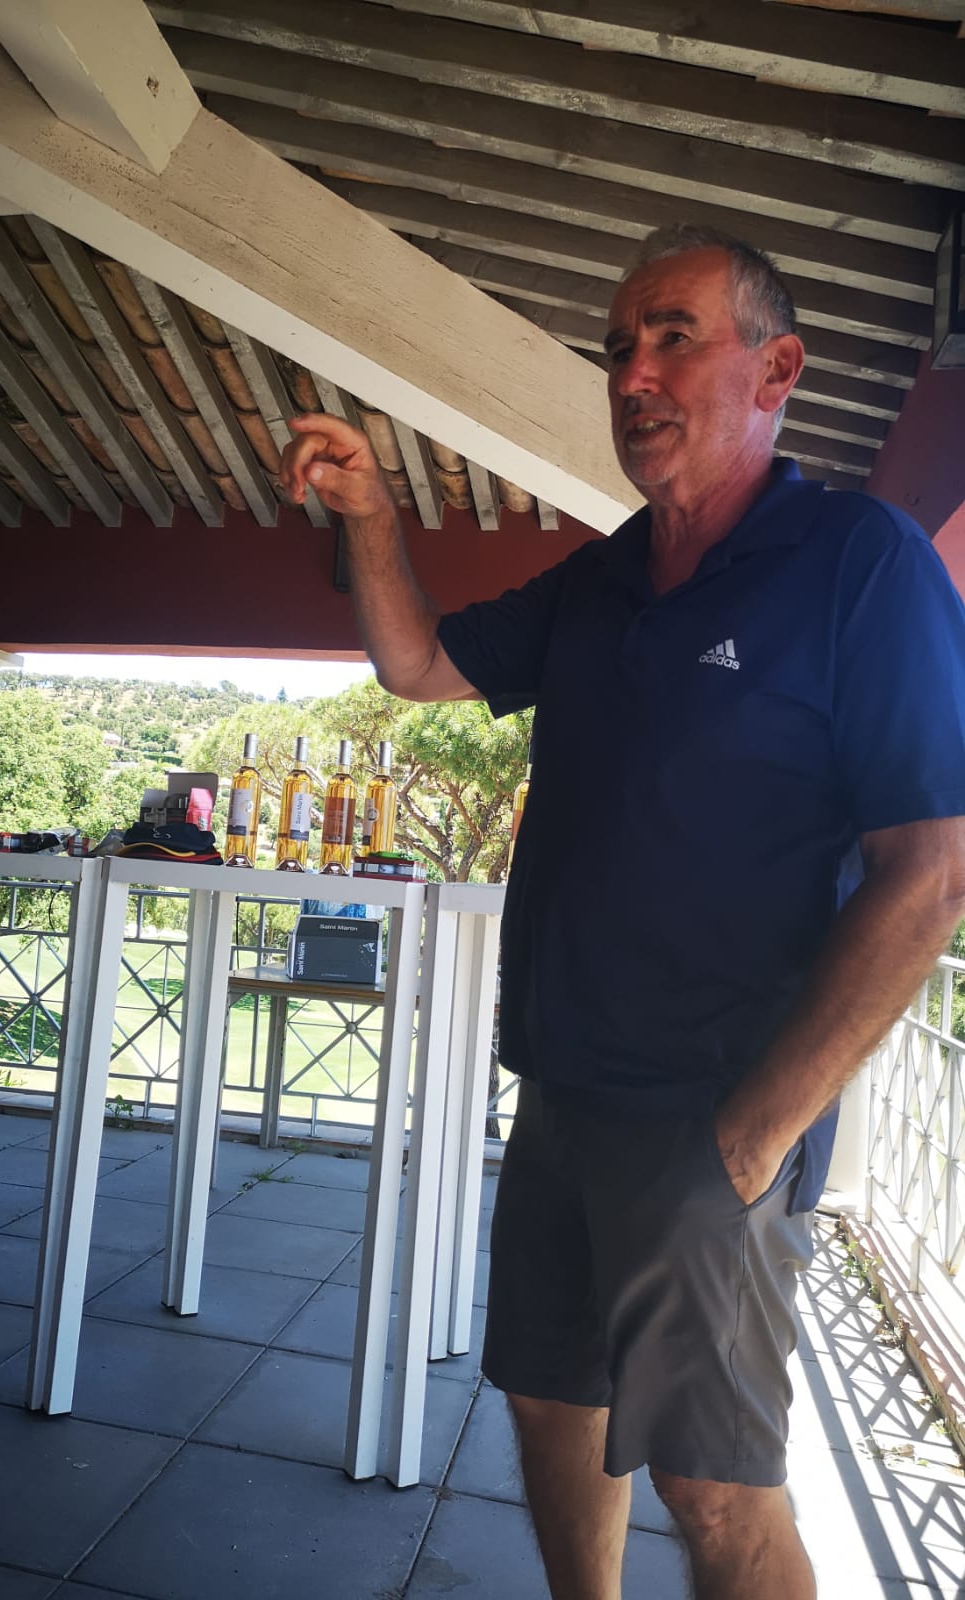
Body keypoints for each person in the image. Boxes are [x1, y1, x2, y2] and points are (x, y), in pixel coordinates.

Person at [279, 224, 965, 1600]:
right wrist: (371, 518)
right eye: (616, 349)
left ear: (778, 368)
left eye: (673, 338)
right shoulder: (604, 577)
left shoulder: (859, 562)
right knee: (552, 1408)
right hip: (562, 1094)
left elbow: (932, 870)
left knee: (717, 1489)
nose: (633, 373)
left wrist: (753, 1139)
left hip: (715, 1109)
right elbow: (417, 663)